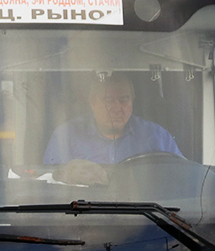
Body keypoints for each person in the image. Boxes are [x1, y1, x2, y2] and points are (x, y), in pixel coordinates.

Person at [43, 77, 181, 183]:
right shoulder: (67, 135)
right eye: (108, 100)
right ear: (93, 103)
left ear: (132, 101)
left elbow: (181, 177)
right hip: (81, 214)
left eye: (124, 100)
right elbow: (50, 180)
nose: (116, 108)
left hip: (145, 216)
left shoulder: (157, 136)